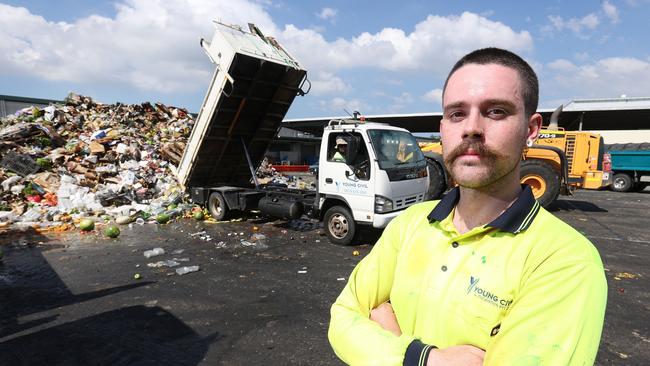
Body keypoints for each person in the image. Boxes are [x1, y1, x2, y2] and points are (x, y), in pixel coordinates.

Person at [328, 48, 607, 366]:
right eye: (457, 113)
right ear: (443, 127)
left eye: (496, 111)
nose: (471, 128)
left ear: (531, 130)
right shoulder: (409, 224)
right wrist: (424, 360)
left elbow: (359, 329)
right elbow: (343, 317)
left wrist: (385, 329)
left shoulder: (565, 260)